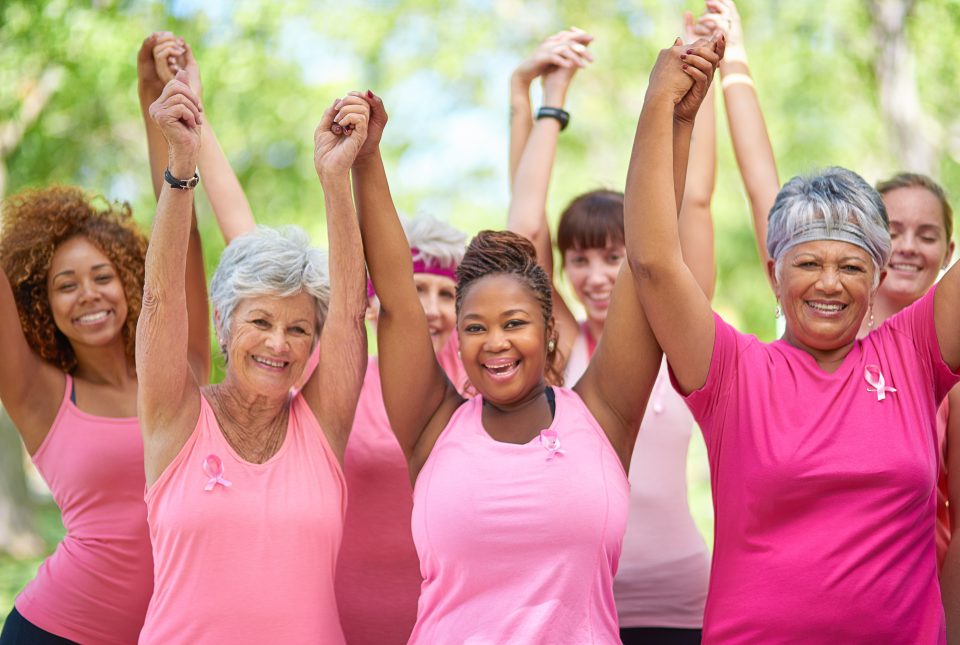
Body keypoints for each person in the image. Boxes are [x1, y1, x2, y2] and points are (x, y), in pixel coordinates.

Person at [350, 56, 714, 637]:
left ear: (549, 330)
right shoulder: (432, 424)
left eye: (513, 322)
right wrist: (366, 160)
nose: (494, 343)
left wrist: (666, 114)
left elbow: (645, 259)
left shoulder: (602, 415)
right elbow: (395, 297)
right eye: (475, 327)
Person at [626, 32, 960, 643]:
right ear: (774, 274)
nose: (829, 283)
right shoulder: (730, 371)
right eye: (807, 264)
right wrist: (664, 108)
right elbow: (652, 262)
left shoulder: (912, 352)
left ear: (879, 277)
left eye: (852, 266)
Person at [0, 33, 217, 645]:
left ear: (129, 283)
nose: (89, 294)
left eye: (102, 276)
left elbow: (184, 239)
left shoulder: (183, 369)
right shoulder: (39, 396)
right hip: (57, 632)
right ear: (43, 306)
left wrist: (156, 98)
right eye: (65, 285)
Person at [136, 74, 367, 643]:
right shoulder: (175, 417)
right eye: (259, 322)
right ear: (222, 324)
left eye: (297, 329)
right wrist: (181, 166)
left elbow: (349, 316)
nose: (278, 343)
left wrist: (335, 180)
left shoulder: (322, 425)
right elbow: (160, 298)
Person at [507, 24, 714, 644]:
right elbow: (523, 230)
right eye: (579, 260)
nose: (595, 276)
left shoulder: (681, 331)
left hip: (685, 601)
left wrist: (697, 94)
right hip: (582, 601)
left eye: (613, 256)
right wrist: (543, 101)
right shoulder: (562, 343)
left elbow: (694, 203)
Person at [335, 213, 468, 644]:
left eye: (446, 294)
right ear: (376, 302)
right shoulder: (341, 377)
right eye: (416, 290)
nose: (430, 309)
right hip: (349, 614)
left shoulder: (477, 384)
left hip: (454, 620)